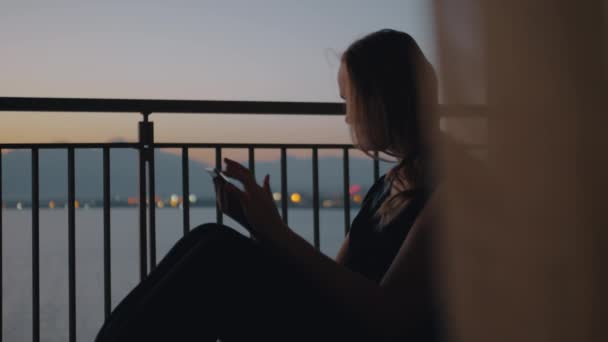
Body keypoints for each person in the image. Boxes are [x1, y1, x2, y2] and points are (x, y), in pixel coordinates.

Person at [95, 28, 442, 342]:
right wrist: (257, 225)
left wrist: (275, 231)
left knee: (218, 258)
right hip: (337, 321)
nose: (347, 116)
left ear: (378, 101)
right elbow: (333, 277)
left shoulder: (450, 190)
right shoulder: (389, 184)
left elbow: (390, 316)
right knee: (209, 237)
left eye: (347, 100)